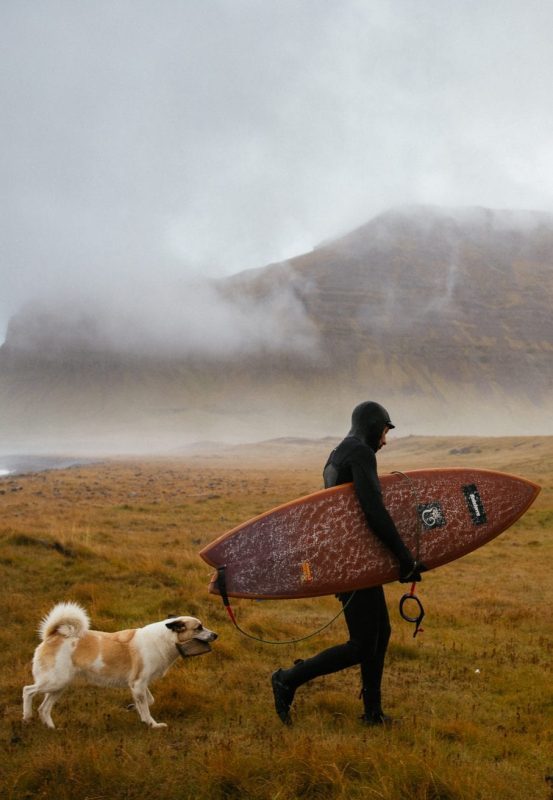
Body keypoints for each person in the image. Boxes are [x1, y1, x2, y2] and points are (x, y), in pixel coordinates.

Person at [271, 401, 424, 726]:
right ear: (373, 427)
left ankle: (372, 713)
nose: (384, 441)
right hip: (350, 563)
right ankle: (288, 678)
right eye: (384, 432)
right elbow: (373, 510)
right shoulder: (360, 453)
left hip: (349, 558)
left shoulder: (339, 453)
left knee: (380, 634)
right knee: (362, 643)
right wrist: (403, 556)